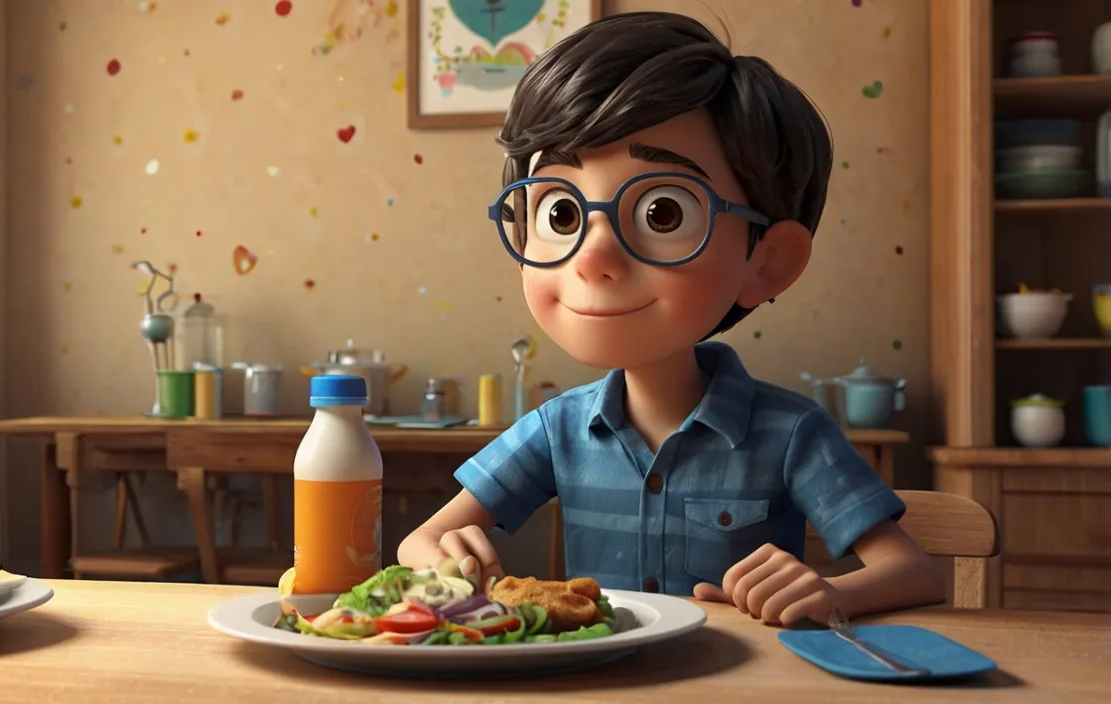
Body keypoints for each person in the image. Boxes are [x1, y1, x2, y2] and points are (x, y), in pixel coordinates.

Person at [396, 11, 944, 626]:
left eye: (661, 213)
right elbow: (417, 541)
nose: (595, 257)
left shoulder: (791, 434)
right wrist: (446, 559)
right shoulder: (557, 431)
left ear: (768, 261)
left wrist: (831, 592)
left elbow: (915, 572)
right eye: (561, 215)